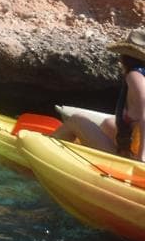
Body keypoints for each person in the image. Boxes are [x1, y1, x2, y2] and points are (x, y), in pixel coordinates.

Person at [54, 29, 145, 161]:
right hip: (131, 147)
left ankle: (39, 155)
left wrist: (142, 157)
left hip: (132, 157)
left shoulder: (135, 75)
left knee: (76, 121)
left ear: (126, 56)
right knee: (108, 123)